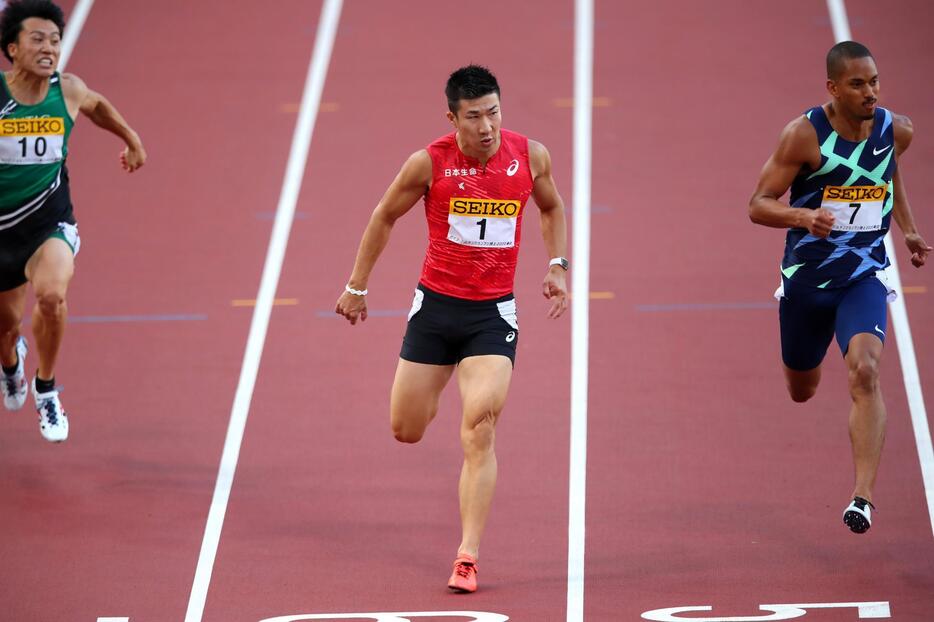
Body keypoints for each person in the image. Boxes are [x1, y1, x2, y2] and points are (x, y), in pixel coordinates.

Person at [335, 65, 568, 591]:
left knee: (480, 428)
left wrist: (558, 265)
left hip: (492, 316)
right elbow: (383, 216)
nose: (486, 126)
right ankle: (436, 383)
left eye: (494, 113)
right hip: (436, 312)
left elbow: (551, 207)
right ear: (452, 118)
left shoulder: (530, 156)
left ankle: (467, 555)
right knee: (407, 429)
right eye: (474, 117)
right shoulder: (428, 163)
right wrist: (357, 286)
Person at [749, 41, 930, 534]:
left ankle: (862, 498)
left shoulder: (899, 130)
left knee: (866, 371)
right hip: (807, 284)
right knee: (802, 390)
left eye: (873, 81)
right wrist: (803, 216)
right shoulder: (804, 136)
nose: (870, 92)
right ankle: (807, 361)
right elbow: (758, 203)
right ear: (832, 88)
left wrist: (907, 228)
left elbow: (887, 173)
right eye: (857, 84)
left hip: (862, 277)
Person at [0, 0, 146, 442]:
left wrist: (131, 138)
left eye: (55, 40)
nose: (49, 48)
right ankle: (11, 365)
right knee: (6, 328)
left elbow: (97, 105)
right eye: (37, 39)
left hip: (49, 225)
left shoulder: (68, 90)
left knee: (51, 298)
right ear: (12, 48)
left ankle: (47, 390)